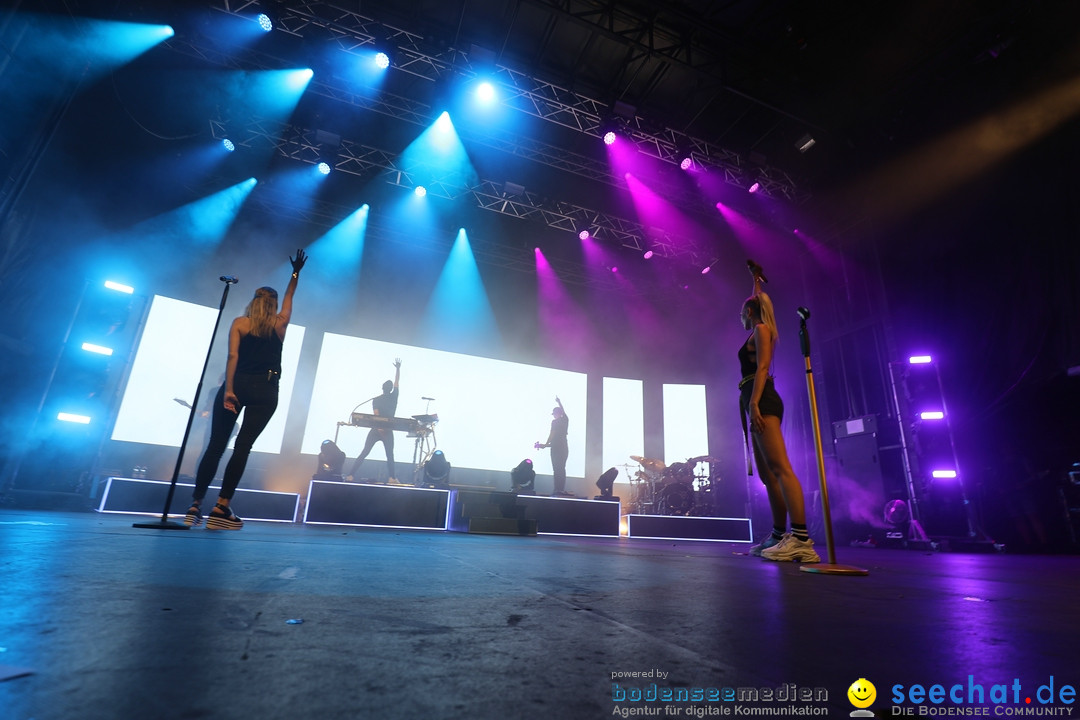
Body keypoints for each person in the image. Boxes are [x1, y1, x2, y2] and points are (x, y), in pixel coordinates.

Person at [185, 249, 308, 530]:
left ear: (253, 301)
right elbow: (290, 297)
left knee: (215, 445)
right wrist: (295, 273)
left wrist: (228, 389)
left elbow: (232, 357)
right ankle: (221, 507)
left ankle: (195, 505)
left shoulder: (240, 323)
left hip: (237, 383)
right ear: (273, 304)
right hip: (266, 388)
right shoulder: (280, 323)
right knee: (243, 447)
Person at [739, 260, 820, 562]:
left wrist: (755, 402)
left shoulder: (760, 329)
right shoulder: (759, 323)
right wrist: (756, 280)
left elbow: (761, 367)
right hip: (755, 399)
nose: (741, 318)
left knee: (781, 467)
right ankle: (777, 535)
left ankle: (801, 539)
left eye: (742, 312)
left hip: (762, 400)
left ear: (749, 312)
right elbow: (758, 303)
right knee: (767, 474)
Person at [347, 359, 401, 483]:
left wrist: (379, 428)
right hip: (387, 430)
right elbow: (397, 383)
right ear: (391, 388)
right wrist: (398, 369)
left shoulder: (376, 400)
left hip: (376, 429)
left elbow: (376, 416)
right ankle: (392, 478)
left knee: (365, 452)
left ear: (382, 388)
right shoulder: (394, 396)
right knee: (390, 455)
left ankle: (350, 475)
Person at [536, 396, 570, 496]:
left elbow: (552, 434)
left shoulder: (561, 421)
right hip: (559, 448)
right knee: (558, 469)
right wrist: (545, 445)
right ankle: (558, 489)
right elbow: (553, 439)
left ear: (558, 413)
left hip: (560, 448)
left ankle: (559, 489)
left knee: (559, 468)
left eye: (555, 414)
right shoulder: (559, 421)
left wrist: (545, 444)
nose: (554, 416)